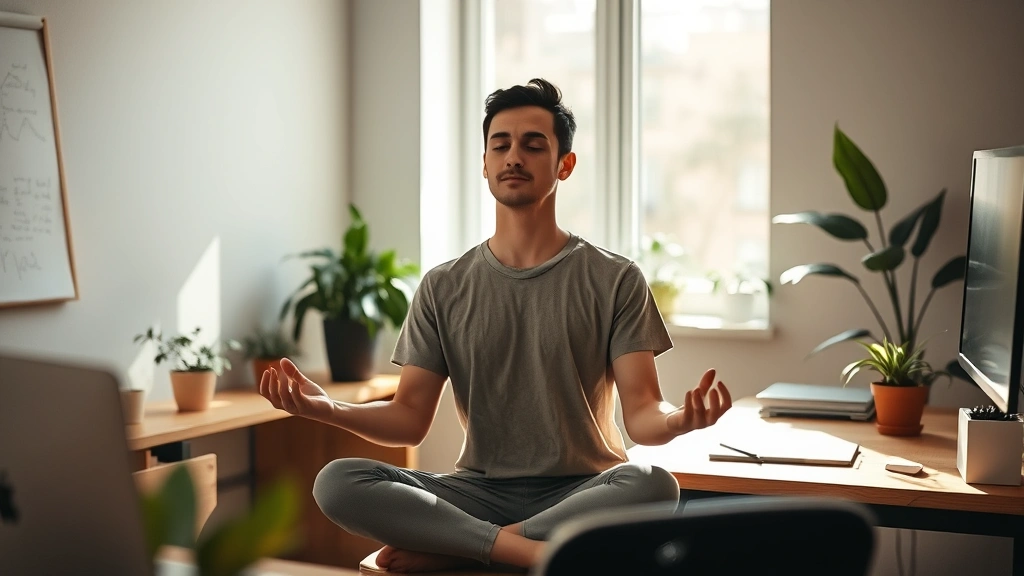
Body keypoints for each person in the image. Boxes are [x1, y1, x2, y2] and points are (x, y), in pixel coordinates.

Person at [259, 78, 733, 573]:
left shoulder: (614, 278)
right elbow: (409, 418)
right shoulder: (443, 285)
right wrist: (329, 410)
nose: (513, 157)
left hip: (587, 489)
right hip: (478, 491)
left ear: (564, 165)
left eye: (533, 145)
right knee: (337, 481)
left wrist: (680, 421)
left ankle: (462, 549)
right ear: (484, 164)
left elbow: (640, 413)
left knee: (655, 482)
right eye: (500, 145)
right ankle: (525, 552)